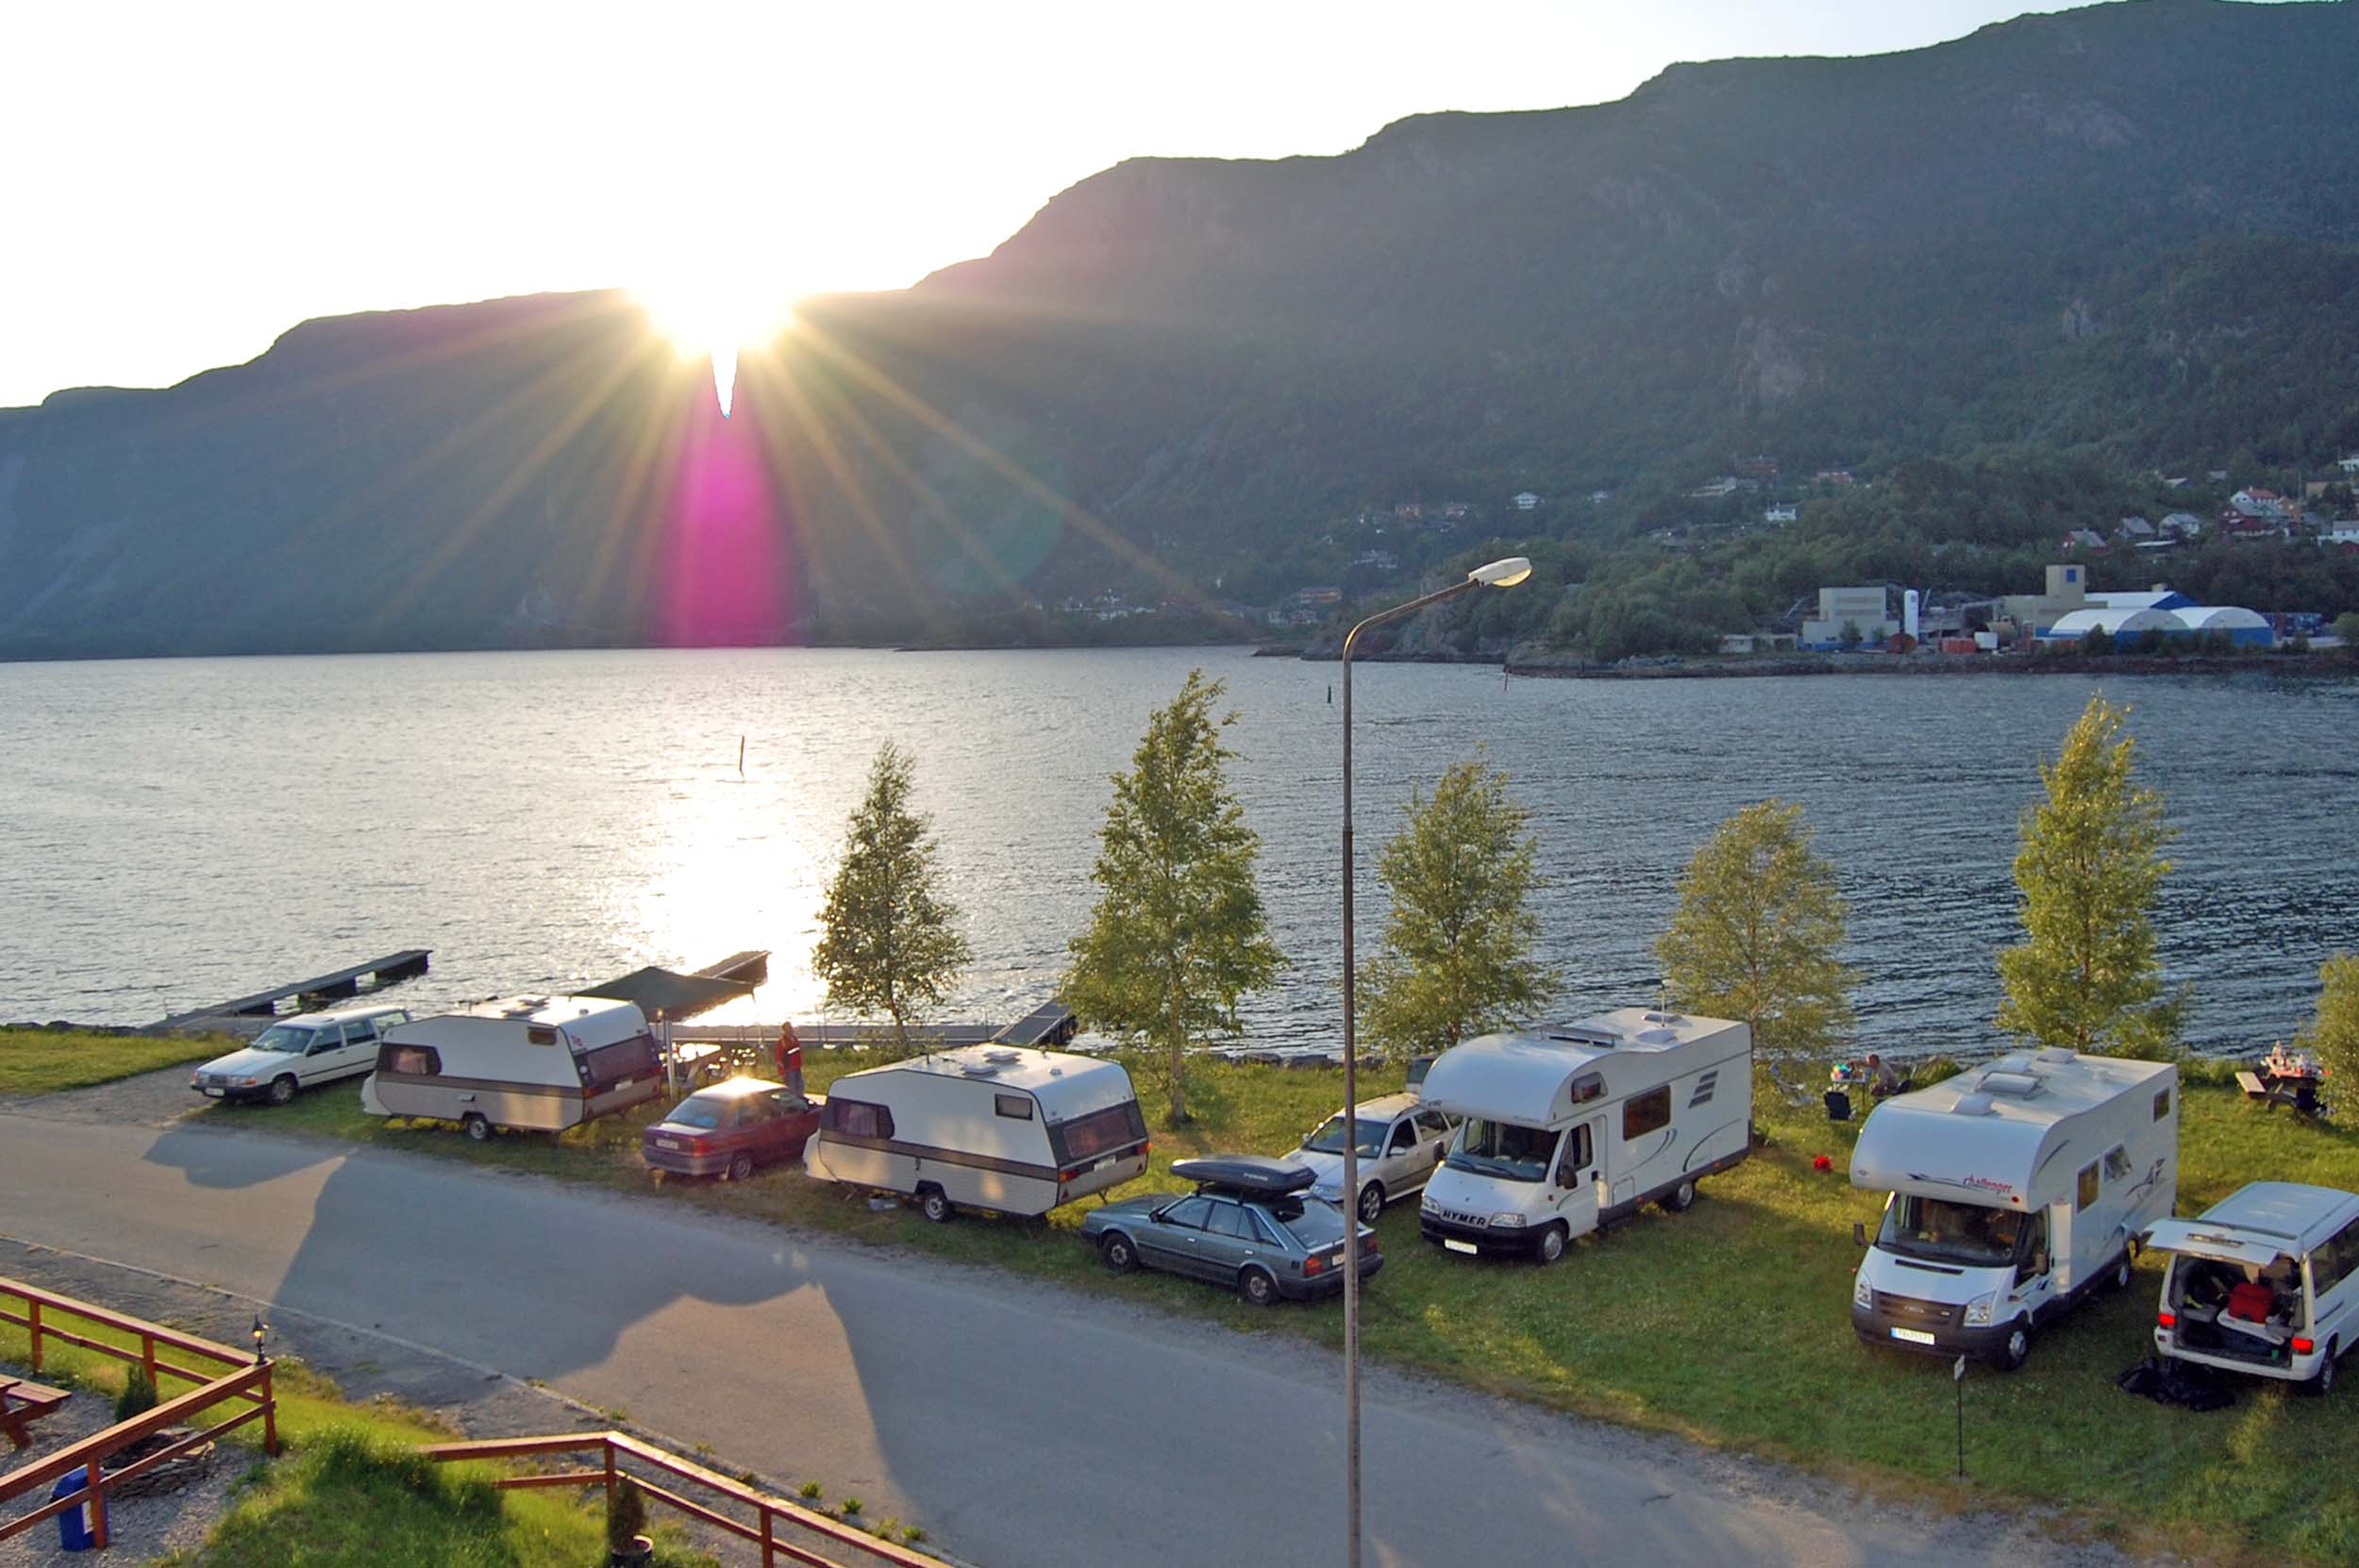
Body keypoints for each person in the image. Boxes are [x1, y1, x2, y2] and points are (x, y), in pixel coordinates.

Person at [774, 1021, 805, 1099]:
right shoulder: (782, 1042)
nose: (791, 1029)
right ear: (785, 1030)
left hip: (797, 1067)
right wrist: (782, 1071)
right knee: (792, 1089)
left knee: (800, 1086)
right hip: (789, 1069)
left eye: (791, 1027)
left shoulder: (795, 1039)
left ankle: (800, 1102)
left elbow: (798, 1052)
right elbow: (778, 1058)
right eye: (789, 1028)